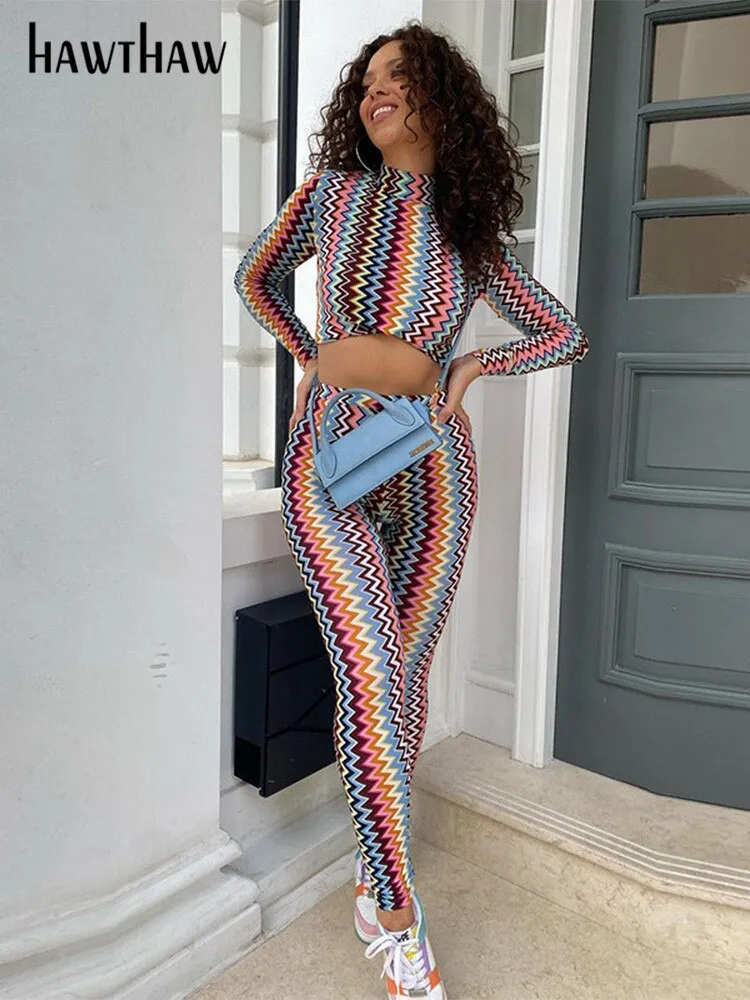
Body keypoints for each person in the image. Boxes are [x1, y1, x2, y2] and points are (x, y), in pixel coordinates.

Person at [234, 20, 589, 1000]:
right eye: (366, 82)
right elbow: (255, 277)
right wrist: (313, 358)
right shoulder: (330, 193)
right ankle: (396, 916)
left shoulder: (469, 234)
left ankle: (372, 865)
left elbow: (563, 333)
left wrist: (474, 365)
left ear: (440, 97)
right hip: (328, 455)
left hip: (432, 461)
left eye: (397, 76)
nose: (374, 93)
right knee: (367, 674)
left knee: (404, 677)